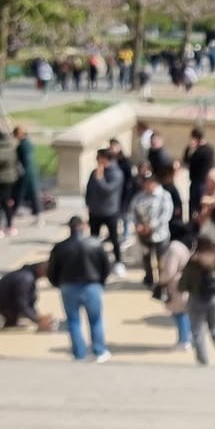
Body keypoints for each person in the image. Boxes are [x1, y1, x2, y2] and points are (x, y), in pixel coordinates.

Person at [46, 216, 113, 363]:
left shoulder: (60, 247)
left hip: (68, 286)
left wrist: (59, 284)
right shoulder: (95, 244)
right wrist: (101, 282)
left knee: (73, 321)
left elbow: (51, 271)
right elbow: (105, 266)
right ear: (83, 226)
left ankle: (79, 353)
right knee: (96, 320)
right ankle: (99, 351)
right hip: (92, 285)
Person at [180, 235, 215, 369]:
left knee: (198, 331)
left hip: (196, 298)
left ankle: (203, 360)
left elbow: (183, 284)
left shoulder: (193, 262)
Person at [85, 148, 127, 276]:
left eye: (98, 157)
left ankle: (118, 262)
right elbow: (89, 189)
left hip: (110, 212)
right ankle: (93, 262)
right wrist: (89, 204)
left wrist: (100, 179)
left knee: (114, 239)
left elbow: (107, 190)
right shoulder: (95, 172)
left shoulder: (117, 174)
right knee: (94, 239)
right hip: (95, 212)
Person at [130, 167, 174, 289]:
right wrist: (138, 224)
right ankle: (149, 278)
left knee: (162, 260)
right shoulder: (139, 197)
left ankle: (162, 282)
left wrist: (152, 226)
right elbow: (133, 212)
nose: (147, 185)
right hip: (144, 234)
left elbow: (166, 215)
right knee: (146, 257)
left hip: (160, 234)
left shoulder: (164, 196)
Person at [157, 222, 195, 352]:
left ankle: (184, 340)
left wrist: (161, 281)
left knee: (179, 313)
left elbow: (170, 270)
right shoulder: (186, 246)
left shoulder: (174, 247)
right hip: (185, 282)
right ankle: (188, 338)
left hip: (176, 284)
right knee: (185, 312)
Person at [0, 261, 53, 331]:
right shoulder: (26, 278)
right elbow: (21, 303)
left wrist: (37, 315)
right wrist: (37, 319)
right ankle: (11, 319)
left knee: (30, 296)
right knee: (28, 298)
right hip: (1, 303)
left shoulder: (27, 272)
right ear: (41, 270)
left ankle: (11, 319)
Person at [184, 127, 215, 223]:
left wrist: (189, 148)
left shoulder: (199, 152)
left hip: (197, 182)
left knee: (195, 207)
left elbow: (187, 160)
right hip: (203, 182)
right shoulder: (210, 149)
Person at [12, 125, 42, 226]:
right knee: (31, 194)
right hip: (30, 172)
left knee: (23, 194)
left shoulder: (23, 145)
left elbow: (25, 161)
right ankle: (37, 214)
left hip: (26, 173)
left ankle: (15, 212)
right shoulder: (27, 143)